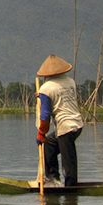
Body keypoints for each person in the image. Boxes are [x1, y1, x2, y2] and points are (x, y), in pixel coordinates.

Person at [36, 54, 85, 188]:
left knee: (68, 159)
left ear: (46, 75)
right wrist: (42, 96)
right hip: (77, 124)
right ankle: (53, 179)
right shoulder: (70, 82)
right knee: (49, 145)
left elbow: (45, 115)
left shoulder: (46, 88)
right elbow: (59, 96)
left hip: (65, 127)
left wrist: (41, 133)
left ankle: (71, 187)